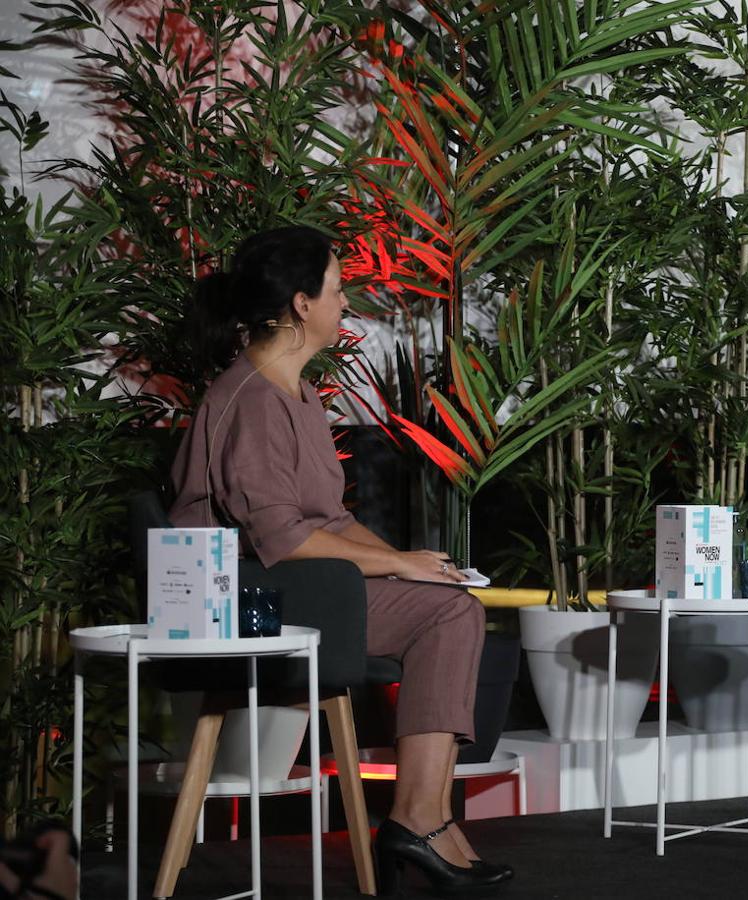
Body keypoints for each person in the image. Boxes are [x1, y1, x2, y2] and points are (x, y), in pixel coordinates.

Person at [168, 226, 510, 892]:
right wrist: (402, 569)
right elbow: (283, 538)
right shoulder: (253, 404)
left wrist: (411, 560)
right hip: (248, 598)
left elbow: (332, 521)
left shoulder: (291, 394)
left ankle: (428, 819)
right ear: (302, 304)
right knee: (448, 617)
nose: (345, 302)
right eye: (338, 287)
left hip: (298, 585)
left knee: (451, 604)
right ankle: (419, 820)